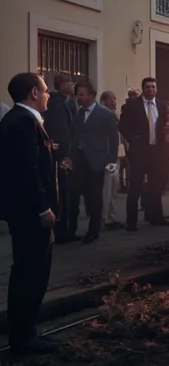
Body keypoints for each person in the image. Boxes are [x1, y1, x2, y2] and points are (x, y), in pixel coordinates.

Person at [0, 73, 58, 355]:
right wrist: (43, 208)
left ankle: (25, 332)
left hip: (22, 211)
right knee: (31, 272)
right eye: (46, 91)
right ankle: (24, 337)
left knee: (26, 269)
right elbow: (27, 170)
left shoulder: (15, 119)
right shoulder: (24, 122)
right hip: (31, 213)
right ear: (34, 92)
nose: (49, 95)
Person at [62, 81, 119, 244]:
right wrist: (68, 157)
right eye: (77, 95)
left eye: (82, 95)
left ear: (92, 96)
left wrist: (111, 160)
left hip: (96, 161)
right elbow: (73, 138)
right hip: (78, 161)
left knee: (94, 197)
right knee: (73, 196)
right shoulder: (78, 114)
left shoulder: (105, 114)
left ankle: (93, 231)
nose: (78, 98)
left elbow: (114, 138)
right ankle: (70, 231)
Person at [119, 78, 169, 230]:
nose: (151, 89)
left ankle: (156, 217)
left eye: (153, 87)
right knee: (135, 186)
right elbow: (122, 125)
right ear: (143, 88)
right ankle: (131, 221)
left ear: (157, 89)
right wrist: (133, 139)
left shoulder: (162, 106)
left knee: (156, 186)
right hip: (139, 152)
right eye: (148, 87)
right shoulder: (133, 105)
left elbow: (164, 124)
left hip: (156, 152)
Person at [44, 73, 75, 244]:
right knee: (63, 193)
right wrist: (66, 156)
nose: (72, 85)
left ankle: (63, 230)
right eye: (69, 82)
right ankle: (62, 232)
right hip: (61, 155)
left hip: (61, 153)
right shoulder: (58, 104)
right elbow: (62, 132)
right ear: (61, 85)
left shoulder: (67, 102)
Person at [99, 91, 125, 231]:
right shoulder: (105, 114)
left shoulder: (111, 114)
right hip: (110, 157)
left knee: (112, 188)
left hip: (115, 155)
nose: (115, 101)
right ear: (105, 100)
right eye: (112, 99)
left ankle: (110, 216)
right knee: (109, 189)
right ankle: (109, 218)